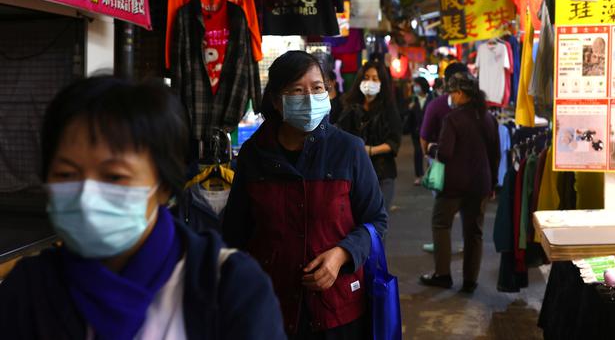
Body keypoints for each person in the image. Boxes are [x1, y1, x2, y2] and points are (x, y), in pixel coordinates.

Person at [0, 76, 286, 339]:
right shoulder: (27, 290)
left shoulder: (228, 287)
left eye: (114, 176)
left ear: (163, 186)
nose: (86, 194)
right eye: (66, 174)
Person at [223, 51, 387, 339]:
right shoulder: (253, 155)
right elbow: (236, 232)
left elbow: (376, 220)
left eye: (317, 88)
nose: (309, 98)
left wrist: (342, 254)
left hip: (338, 309)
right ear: (276, 101)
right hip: (271, 305)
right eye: (297, 91)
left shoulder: (349, 150)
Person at [420, 72, 500, 293]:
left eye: (453, 93)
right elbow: (495, 155)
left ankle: (442, 275)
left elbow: (445, 154)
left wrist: (431, 148)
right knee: (474, 233)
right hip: (480, 185)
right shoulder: (488, 118)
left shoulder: (453, 119)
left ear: (461, 94)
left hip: (453, 185)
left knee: (441, 224)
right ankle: (470, 281)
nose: (451, 97)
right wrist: (492, 183)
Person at [337, 60, 402, 211]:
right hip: (355, 173)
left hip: (382, 172)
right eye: (366, 77)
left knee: (378, 219)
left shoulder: (389, 109)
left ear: (382, 82)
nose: (369, 82)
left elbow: (394, 142)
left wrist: (370, 150)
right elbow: (340, 133)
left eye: (375, 78)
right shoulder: (350, 108)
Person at [419, 63, 469, 252]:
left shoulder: (438, 105)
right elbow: (423, 136)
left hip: (446, 163)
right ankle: (459, 243)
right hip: (450, 164)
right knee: (454, 210)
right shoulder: (439, 105)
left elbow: (424, 137)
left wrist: (427, 155)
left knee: (444, 210)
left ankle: (445, 245)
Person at [406, 77, 433, 185]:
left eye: (417, 85)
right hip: (416, 131)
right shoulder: (413, 99)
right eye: (414, 85)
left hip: (429, 132)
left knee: (429, 152)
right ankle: (418, 175)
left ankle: (429, 174)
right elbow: (405, 114)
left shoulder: (431, 97)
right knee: (418, 152)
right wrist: (409, 109)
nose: (415, 87)